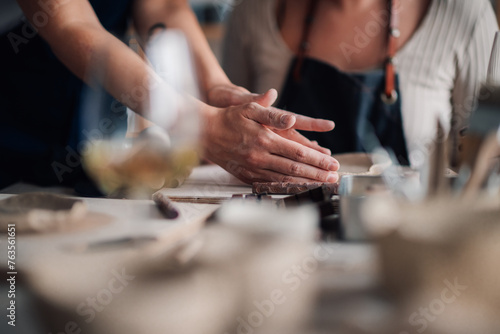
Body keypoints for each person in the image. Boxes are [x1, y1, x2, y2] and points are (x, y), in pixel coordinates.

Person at [0, 0, 340, 193]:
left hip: (85, 138)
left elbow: (164, 5)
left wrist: (218, 88)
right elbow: (70, 23)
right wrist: (198, 125)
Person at [223, 0, 498, 167]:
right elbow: (227, 137)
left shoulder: (466, 15)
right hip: (282, 235)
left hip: (411, 242)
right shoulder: (253, 11)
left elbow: (483, 158)